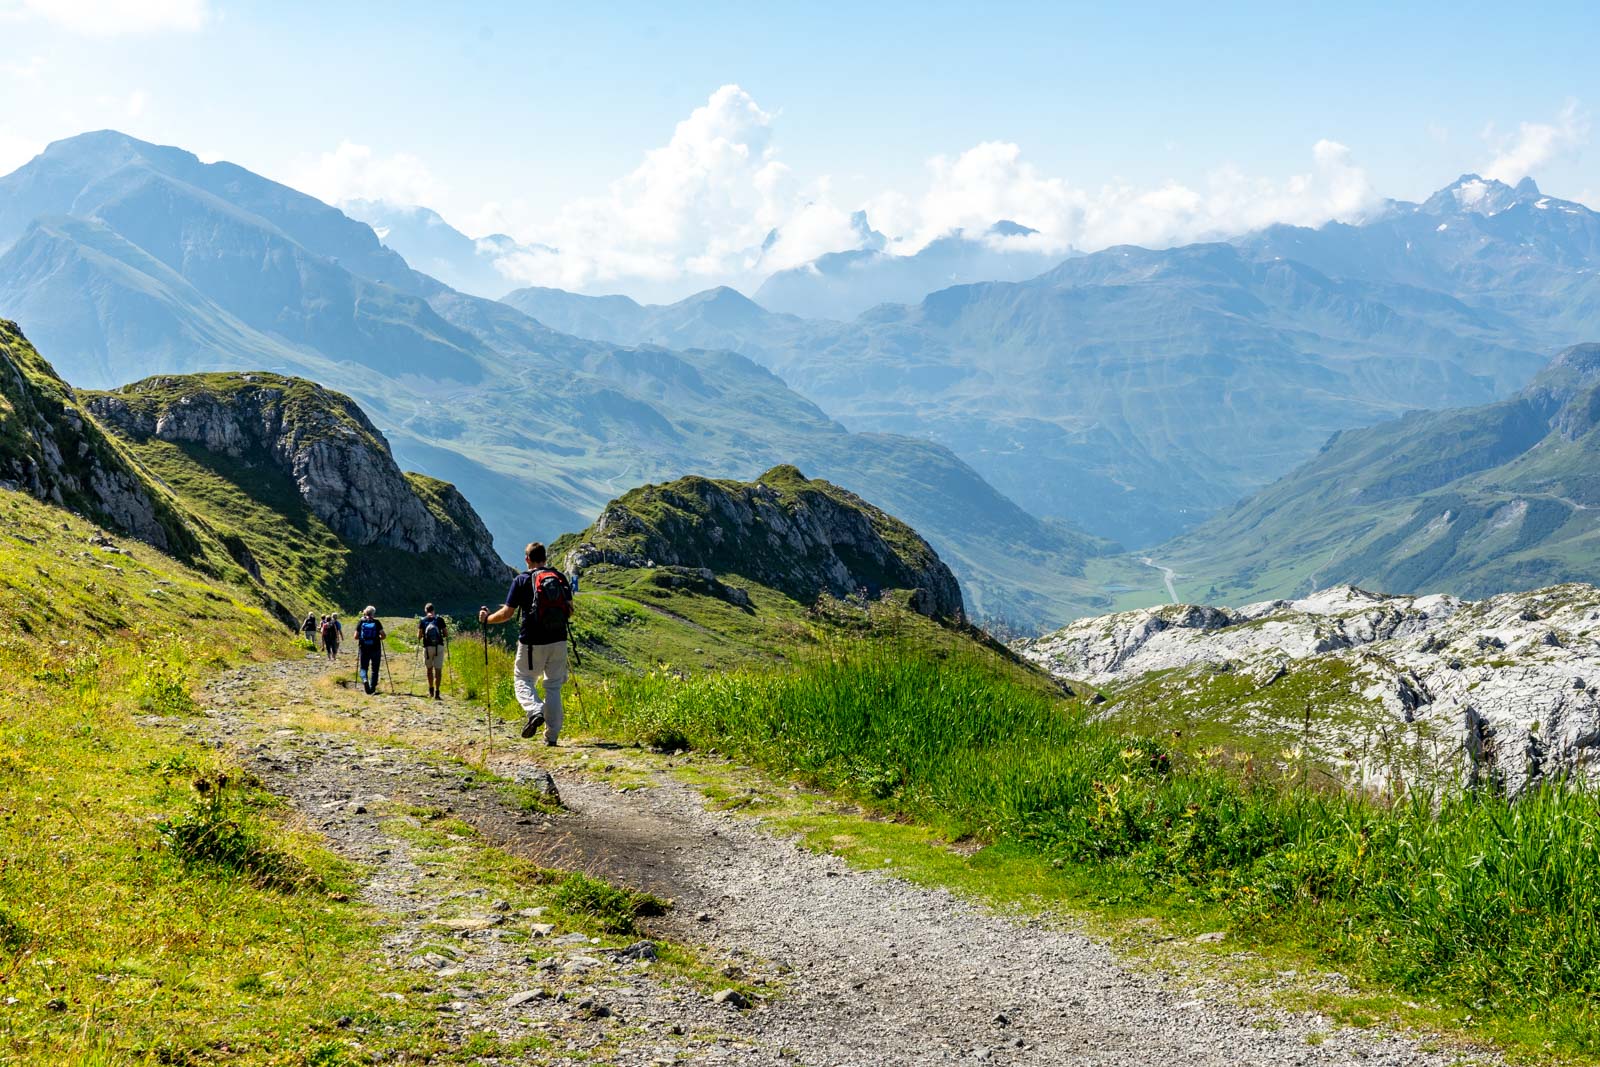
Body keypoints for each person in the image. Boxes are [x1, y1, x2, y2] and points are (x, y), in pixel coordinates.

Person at [479, 542, 572, 745]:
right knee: (554, 687)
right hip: (559, 640)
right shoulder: (560, 578)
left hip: (531, 642)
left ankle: (535, 710)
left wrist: (487, 619)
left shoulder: (521, 580)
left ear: (527, 559)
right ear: (545, 558)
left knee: (522, 679)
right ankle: (551, 738)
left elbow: (507, 613)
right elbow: (570, 610)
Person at [417, 603, 449, 700]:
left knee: (429, 669)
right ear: (434, 610)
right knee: (438, 670)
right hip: (439, 647)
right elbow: (446, 634)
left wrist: (423, 635)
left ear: (426, 611)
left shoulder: (423, 620)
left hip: (427, 648)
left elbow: (419, 636)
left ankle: (431, 690)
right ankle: (437, 692)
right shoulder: (439, 619)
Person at [355, 606, 386, 695]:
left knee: (363, 667)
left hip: (364, 648)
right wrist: (378, 638)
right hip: (375, 648)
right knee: (375, 668)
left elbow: (355, 636)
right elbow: (383, 635)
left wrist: (362, 638)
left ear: (365, 612)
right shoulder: (377, 622)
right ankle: (372, 687)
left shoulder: (361, 622)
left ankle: (365, 680)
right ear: (373, 613)